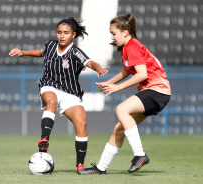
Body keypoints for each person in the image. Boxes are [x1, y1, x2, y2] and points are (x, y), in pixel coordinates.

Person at [9, 17, 109, 173]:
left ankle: (80, 165)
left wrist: (98, 68)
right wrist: (24, 53)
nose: (62, 36)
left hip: (70, 92)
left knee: (81, 125)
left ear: (73, 35)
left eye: (66, 33)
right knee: (52, 102)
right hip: (49, 85)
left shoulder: (75, 52)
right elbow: (41, 52)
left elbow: (89, 62)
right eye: (59, 32)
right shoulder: (50, 45)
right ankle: (44, 139)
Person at [78, 13, 171, 174]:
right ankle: (100, 168)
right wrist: (110, 82)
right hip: (156, 92)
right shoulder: (128, 47)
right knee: (119, 128)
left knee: (121, 110)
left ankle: (140, 155)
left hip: (157, 90)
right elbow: (127, 70)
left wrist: (117, 87)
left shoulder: (132, 46)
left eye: (114, 33)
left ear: (125, 32)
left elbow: (142, 74)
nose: (112, 37)